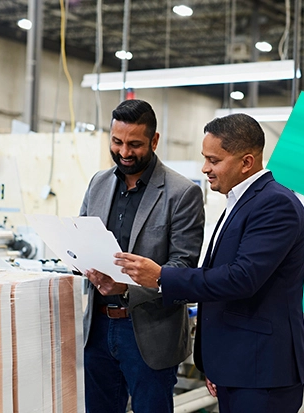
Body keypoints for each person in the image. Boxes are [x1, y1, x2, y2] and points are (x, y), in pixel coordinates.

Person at [114, 113, 304, 413]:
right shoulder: (240, 202)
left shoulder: (275, 204)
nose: (205, 168)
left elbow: (242, 278)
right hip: (239, 367)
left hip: (262, 373)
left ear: (246, 162)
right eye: (205, 158)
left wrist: (161, 277)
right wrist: (217, 365)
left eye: (214, 160)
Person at [79, 99, 205, 413]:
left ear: (154, 140)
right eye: (117, 142)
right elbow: (81, 237)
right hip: (97, 327)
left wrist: (126, 288)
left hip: (149, 334)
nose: (124, 152)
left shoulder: (181, 193)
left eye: (135, 144)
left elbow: (183, 267)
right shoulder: (98, 183)